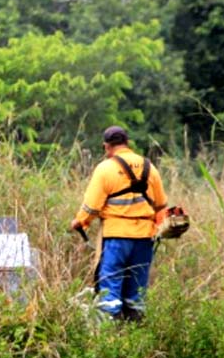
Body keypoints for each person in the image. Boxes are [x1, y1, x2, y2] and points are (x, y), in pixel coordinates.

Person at [70, 125, 168, 321]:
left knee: (110, 288)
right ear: (127, 143)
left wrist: (80, 223)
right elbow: (161, 206)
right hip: (144, 239)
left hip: (116, 239)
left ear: (106, 147)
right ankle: (135, 334)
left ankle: (109, 336)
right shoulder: (150, 167)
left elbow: (92, 206)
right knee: (137, 291)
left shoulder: (105, 168)